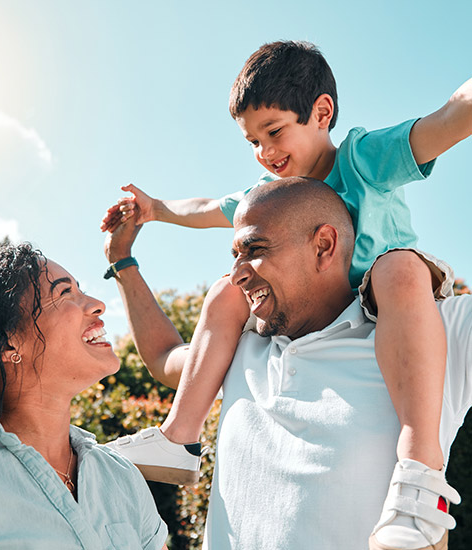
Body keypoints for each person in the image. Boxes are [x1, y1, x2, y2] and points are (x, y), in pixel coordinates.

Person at [102, 40, 472, 547]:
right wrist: (154, 210)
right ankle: (178, 437)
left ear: (322, 113)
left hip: (393, 304)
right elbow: (210, 208)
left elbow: (447, 119)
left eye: (274, 132)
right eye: (253, 142)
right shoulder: (265, 203)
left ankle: (418, 470)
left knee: (397, 268)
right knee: (224, 292)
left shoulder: (364, 160)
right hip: (319, 317)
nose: (266, 152)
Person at [0, 243, 168, 550]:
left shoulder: (120, 476)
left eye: (82, 290)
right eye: (65, 293)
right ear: (9, 344)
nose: (97, 305)